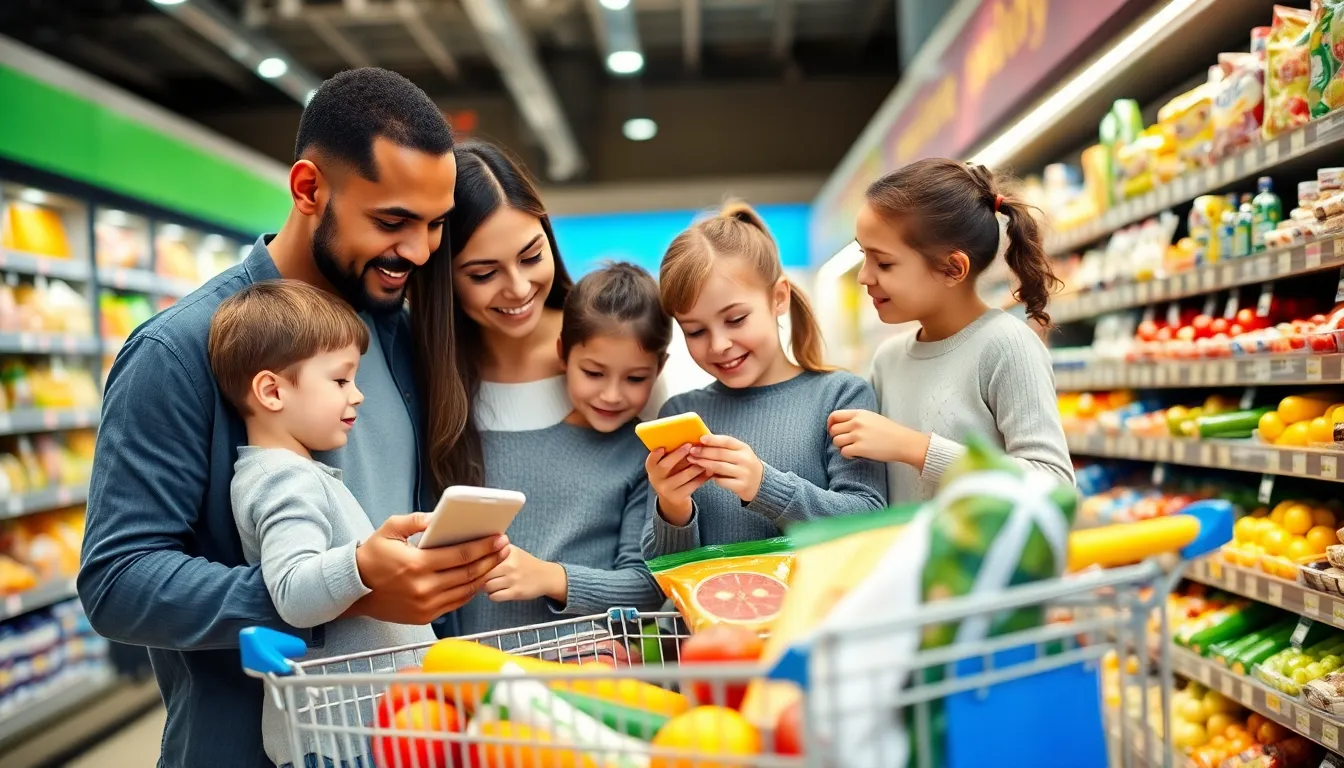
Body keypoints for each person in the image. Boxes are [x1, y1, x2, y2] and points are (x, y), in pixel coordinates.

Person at [77, 68, 507, 768]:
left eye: (435, 225)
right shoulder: (180, 352)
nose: (422, 251)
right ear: (309, 190)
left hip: (409, 738)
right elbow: (118, 581)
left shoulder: (397, 334)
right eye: (393, 221)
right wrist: (341, 586)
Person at [210, 280, 439, 767]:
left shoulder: (298, 472)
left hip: (365, 733)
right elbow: (292, 593)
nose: (357, 396)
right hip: (342, 743)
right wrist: (364, 563)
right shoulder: (282, 479)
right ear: (272, 390)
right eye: (340, 381)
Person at [642, 202, 887, 559]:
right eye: (694, 331)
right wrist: (672, 506)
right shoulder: (679, 413)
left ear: (778, 298)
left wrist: (764, 486)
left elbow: (870, 520)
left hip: (819, 612)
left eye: (736, 319)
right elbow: (660, 571)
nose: (719, 345)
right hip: (712, 616)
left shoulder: (840, 396)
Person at [826, 158, 1073, 504]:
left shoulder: (1008, 346)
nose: (864, 276)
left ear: (952, 268)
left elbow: (1055, 485)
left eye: (883, 262)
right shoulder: (888, 359)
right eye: (863, 255)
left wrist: (915, 448)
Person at [453, 263, 669, 637]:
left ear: (660, 368)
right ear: (563, 355)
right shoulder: (480, 440)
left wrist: (551, 578)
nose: (612, 394)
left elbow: (646, 590)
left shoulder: (644, 455)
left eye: (635, 378)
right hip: (474, 671)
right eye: (594, 372)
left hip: (587, 673)